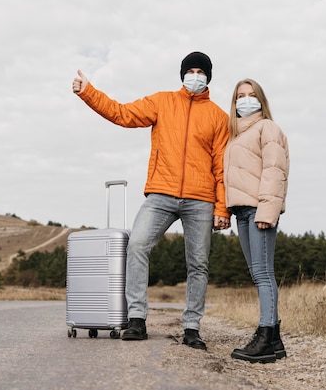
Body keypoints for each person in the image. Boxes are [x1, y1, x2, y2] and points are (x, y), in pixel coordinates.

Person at [72, 52, 230, 349]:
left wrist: (222, 208)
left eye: (200, 71)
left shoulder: (219, 117)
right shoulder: (162, 102)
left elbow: (221, 166)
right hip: (161, 193)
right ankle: (137, 319)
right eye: (190, 70)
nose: (195, 75)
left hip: (201, 199)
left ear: (208, 77)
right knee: (137, 245)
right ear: (182, 74)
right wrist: (88, 92)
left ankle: (192, 327)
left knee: (198, 264)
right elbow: (122, 113)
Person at [223, 78, 290, 363]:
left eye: (251, 95)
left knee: (263, 274)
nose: (245, 100)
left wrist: (267, 211)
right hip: (241, 212)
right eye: (240, 96)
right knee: (257, 274)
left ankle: (265, 337)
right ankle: (274, 342)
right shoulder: (234, 137)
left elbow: (275, 170)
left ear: (261, 101)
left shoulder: (267, 128)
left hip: (258, 211)